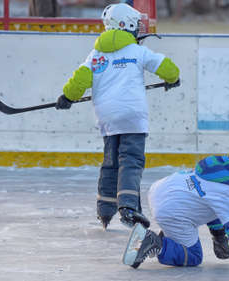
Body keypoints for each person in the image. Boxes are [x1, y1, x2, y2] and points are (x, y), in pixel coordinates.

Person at [55, 3, 180, 230]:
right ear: (126, 24)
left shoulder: (96, 55)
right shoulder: (137, 51)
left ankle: (105, 210)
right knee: (131, 162)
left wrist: (67, 97)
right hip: (132, 116)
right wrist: (173, 79)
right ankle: (129, 208)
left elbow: (80, 81)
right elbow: (167, 68)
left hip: (107, 118)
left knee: (111, 162)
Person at [125, 140, 229, 271]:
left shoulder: (219, 168)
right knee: (193, 255)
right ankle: (155, 243)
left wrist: (219, 237)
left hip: (159, 191)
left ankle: (169, 235)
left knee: (187, 217)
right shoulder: (228, 189)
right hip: (172, 210)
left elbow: (213, 206)